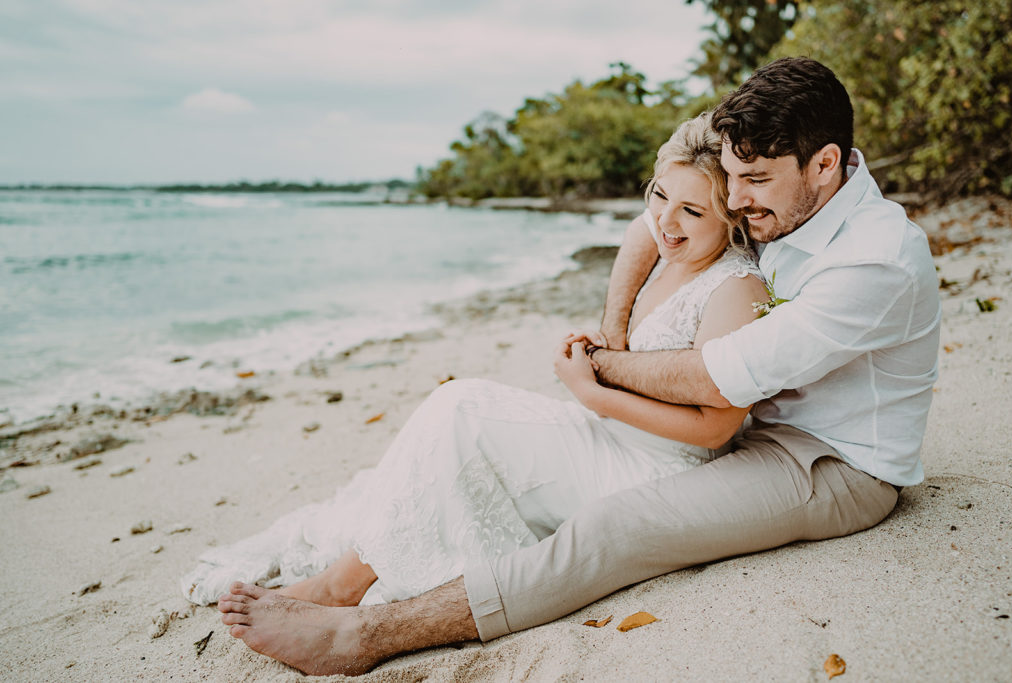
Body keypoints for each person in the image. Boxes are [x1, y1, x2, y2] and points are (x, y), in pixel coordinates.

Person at [214, 57, 941, 676]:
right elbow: (652, 223)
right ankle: (352, 577)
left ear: (825, 163)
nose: (740, 197)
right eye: (733, 179)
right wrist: (614, 322)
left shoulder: (876, 259)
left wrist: (604, 371)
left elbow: (719, 379)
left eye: (753, 181)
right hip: (750, 422)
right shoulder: (771, 204)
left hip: (831, 463)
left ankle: (363, 635)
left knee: (615, 530)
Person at [196, 113, 769, 672]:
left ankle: (342, 586)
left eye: (691, 210)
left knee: (460, 409)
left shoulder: (735, 289)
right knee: (455, 418)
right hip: (610, 435)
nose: (666, 220)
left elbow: (715, 426)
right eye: (659, 195)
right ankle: (347, 576)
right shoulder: (668, 240)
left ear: (731, 217)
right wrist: (611, 337)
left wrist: (593, 392)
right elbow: (639, 234)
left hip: (653, 472)